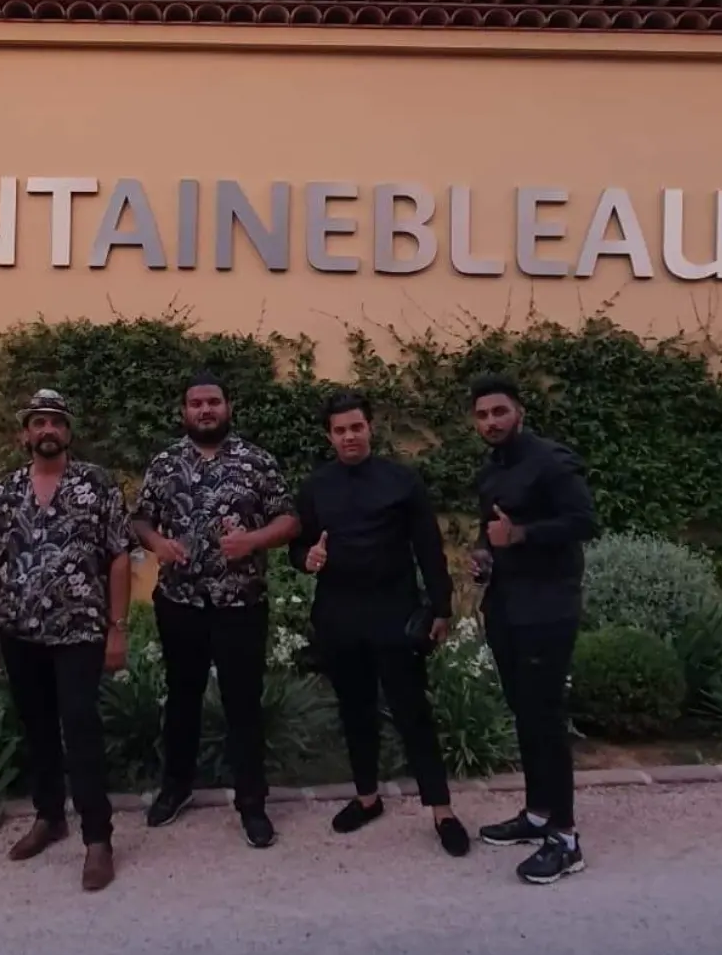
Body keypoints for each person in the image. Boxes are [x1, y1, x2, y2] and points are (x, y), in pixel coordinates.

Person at [293, 391, 470, 854]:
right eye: (340, 430)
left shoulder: (401, 481)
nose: (349, 436)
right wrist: (306, 558)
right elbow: (299, 547)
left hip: (395, 613)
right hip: (338, 614)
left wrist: (441, 608)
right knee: (355, 710)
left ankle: (442, 810)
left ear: (370, 427)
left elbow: (429, 548)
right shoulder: (316, 487)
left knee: (412, 712)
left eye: (356, 427)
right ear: (329, 436)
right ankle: (367, 798)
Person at [132, 369, 301, 848]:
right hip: (180, 601)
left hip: (240, 602)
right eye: (196, 403)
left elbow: (290, 519)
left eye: (213, 402)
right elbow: (140, 520)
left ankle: (252, 802)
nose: (205, 410)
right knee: (181, 698)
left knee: (243, 703)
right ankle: (176, 787)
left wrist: (254, 540)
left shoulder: (257, 461)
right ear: (184, 411)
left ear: (228, 407)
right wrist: (157, 543)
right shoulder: (164, 464)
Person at [0, 388, 132, 891]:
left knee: (80, 727)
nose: (48, 430)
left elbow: (119, 557)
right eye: (39, 422)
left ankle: (98, 838)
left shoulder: (97, 484)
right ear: (25, 433)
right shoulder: (5, 491)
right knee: (37, 727)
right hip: (19, 632)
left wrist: (117, 628)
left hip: (79, 630)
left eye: (57, 422)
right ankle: (49, 817)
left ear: (68, 432)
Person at [469, 374, 597, 885]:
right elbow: (491, 531)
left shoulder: (551, 461)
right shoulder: (491, 471)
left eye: (499, 411)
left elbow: (584, 521)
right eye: (482, 415)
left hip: (548, 607)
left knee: (545, 717)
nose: (491, 422)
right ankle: (538, 814)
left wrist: (520, 534)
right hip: (505, 606)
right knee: (524, 712)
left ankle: (565, 839)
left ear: (518, 412)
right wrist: (484, 554)